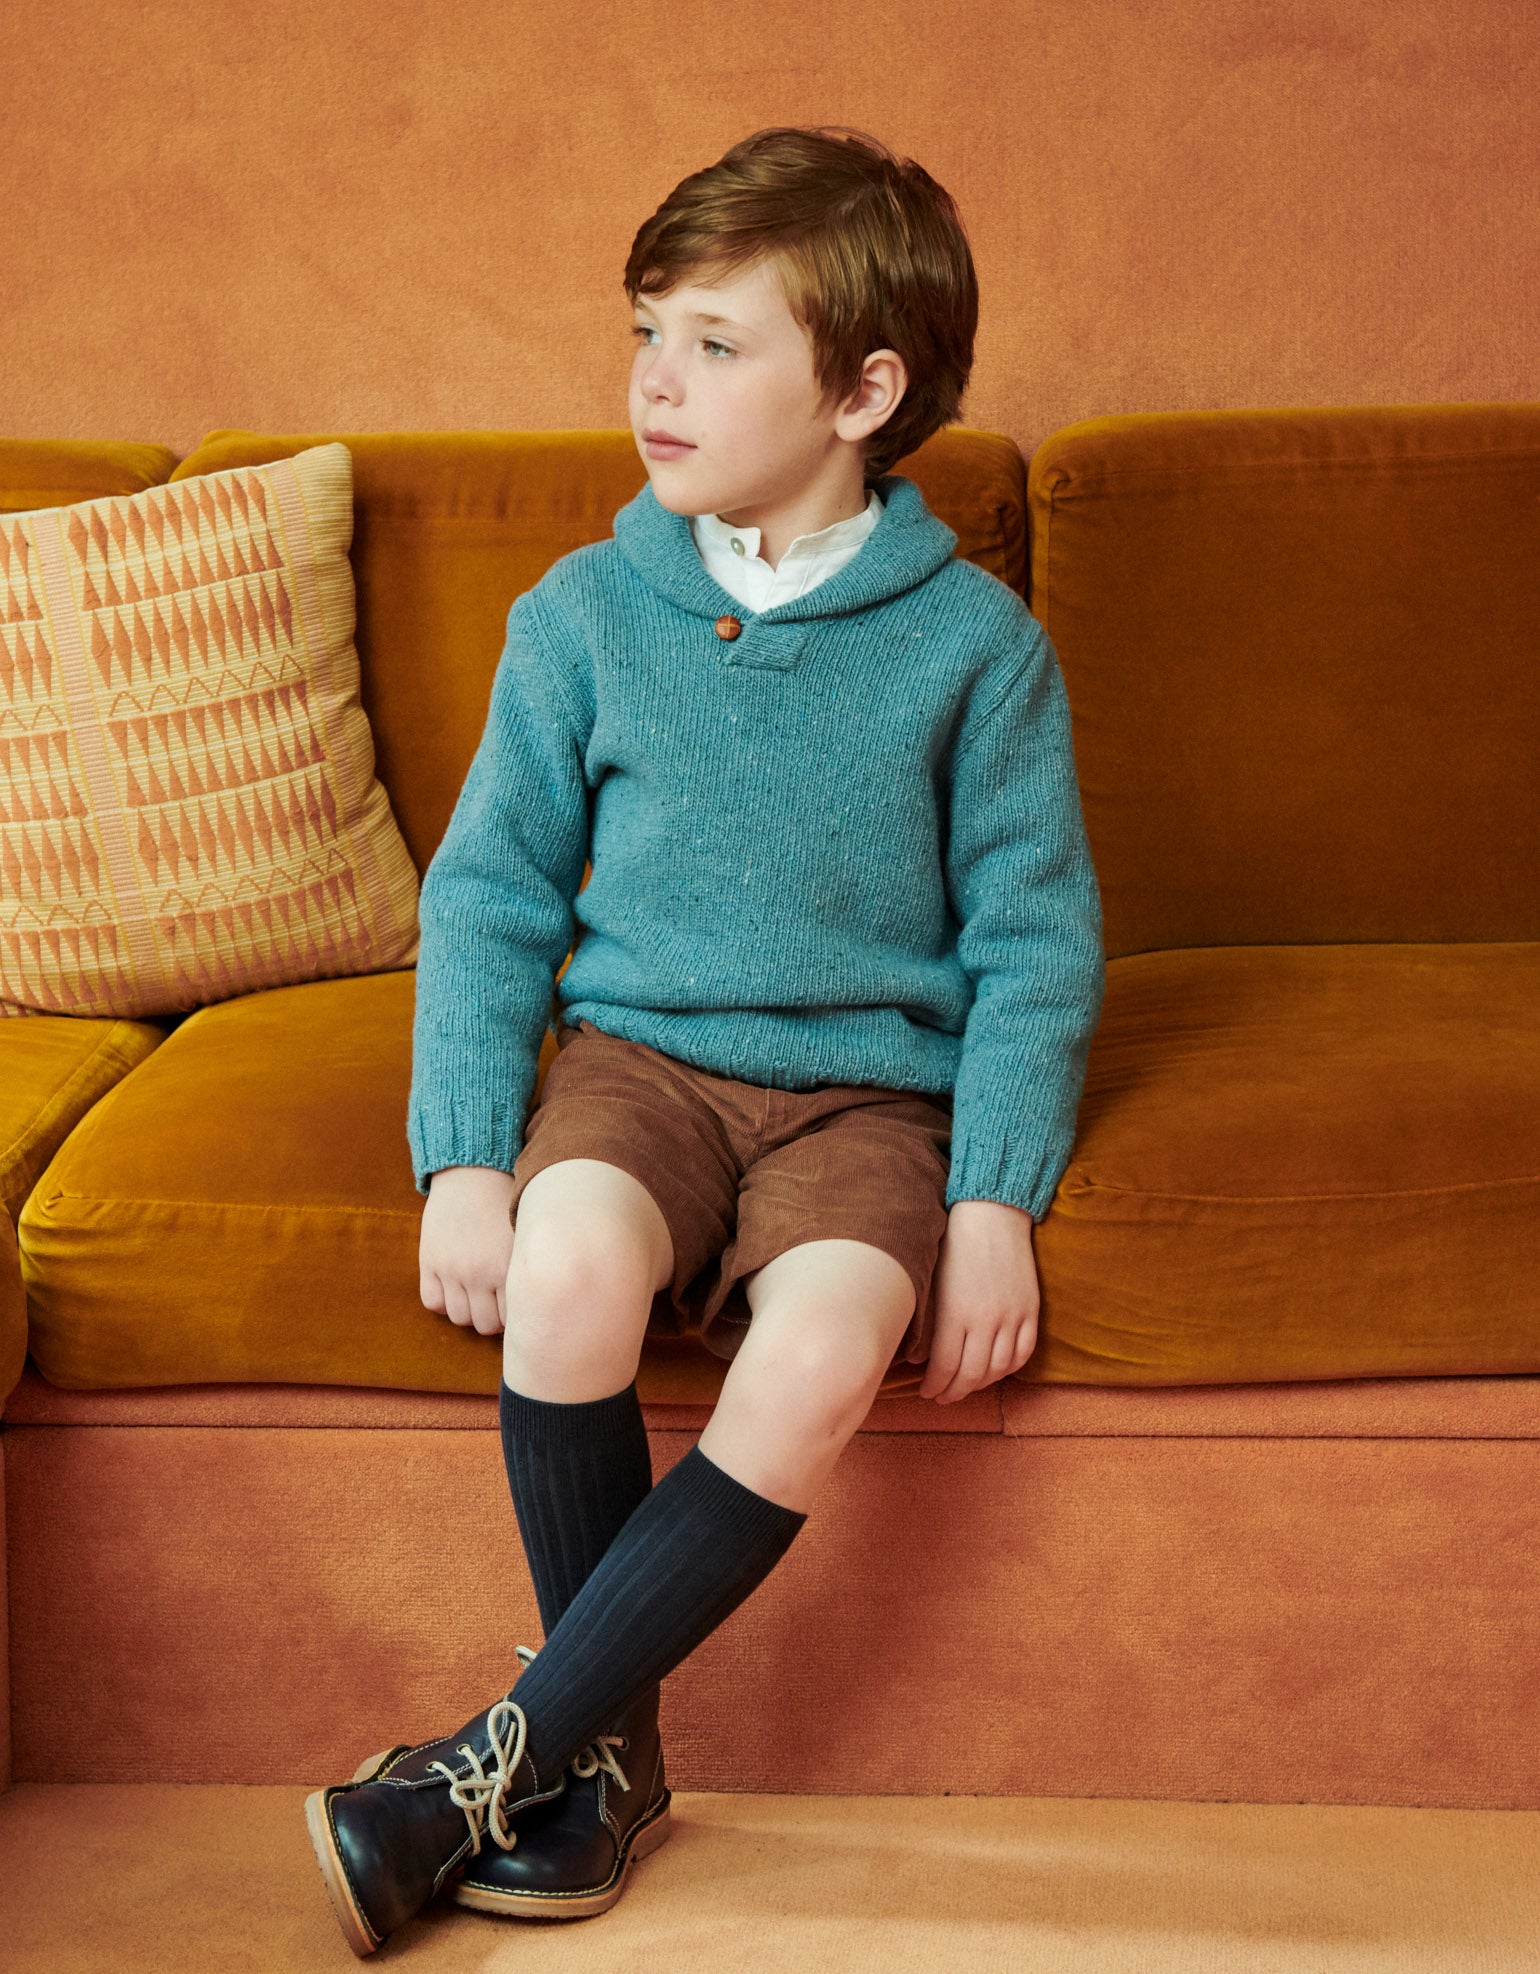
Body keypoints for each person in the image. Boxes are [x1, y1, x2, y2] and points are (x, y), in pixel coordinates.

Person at [305, 123, 1105, 1956]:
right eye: (646, 333)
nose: (656, 382)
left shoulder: (976, 648)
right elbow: (491, 895)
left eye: (717, 344)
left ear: (863, 393)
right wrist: (464, 1155)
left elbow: (1039, 942)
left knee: (823, 1350)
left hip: (868, 1102)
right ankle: (600, 1760)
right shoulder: (585, 613)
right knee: (567, 1264)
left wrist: (991, 1199)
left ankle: (481, 1771)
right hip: (640, 1068)